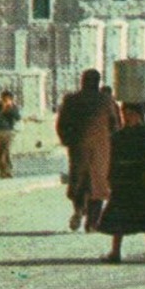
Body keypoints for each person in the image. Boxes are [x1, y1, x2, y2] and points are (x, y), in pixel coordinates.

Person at [98, 101, 145, 262]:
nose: (126, 118)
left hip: (143, 180)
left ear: (138, 116)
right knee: (118, 217)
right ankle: (115, 251)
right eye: (124, 114)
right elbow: (111, 160)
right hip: (124, 181)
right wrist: (110, 179)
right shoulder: (118, 136)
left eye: (129, 114)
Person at [56, 69, 119, 232]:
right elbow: (115, 125)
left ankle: (78, 209)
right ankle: (92, 222)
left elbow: (62, 124)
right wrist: (111, 142)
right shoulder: (106, 101)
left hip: (78, 147)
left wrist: (68, 140)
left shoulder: (71, 100)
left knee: (79, 180)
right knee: (98, 185)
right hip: (101, 149)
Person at [0, 89, 20, 179]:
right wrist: (3, 109)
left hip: (8, 131)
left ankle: (8, 170)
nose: (6, 100)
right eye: (4, 99)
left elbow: (17, 117)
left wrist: (10, 108)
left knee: (6, 151)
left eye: (8, 99)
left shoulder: (13, 106)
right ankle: (2, 171)